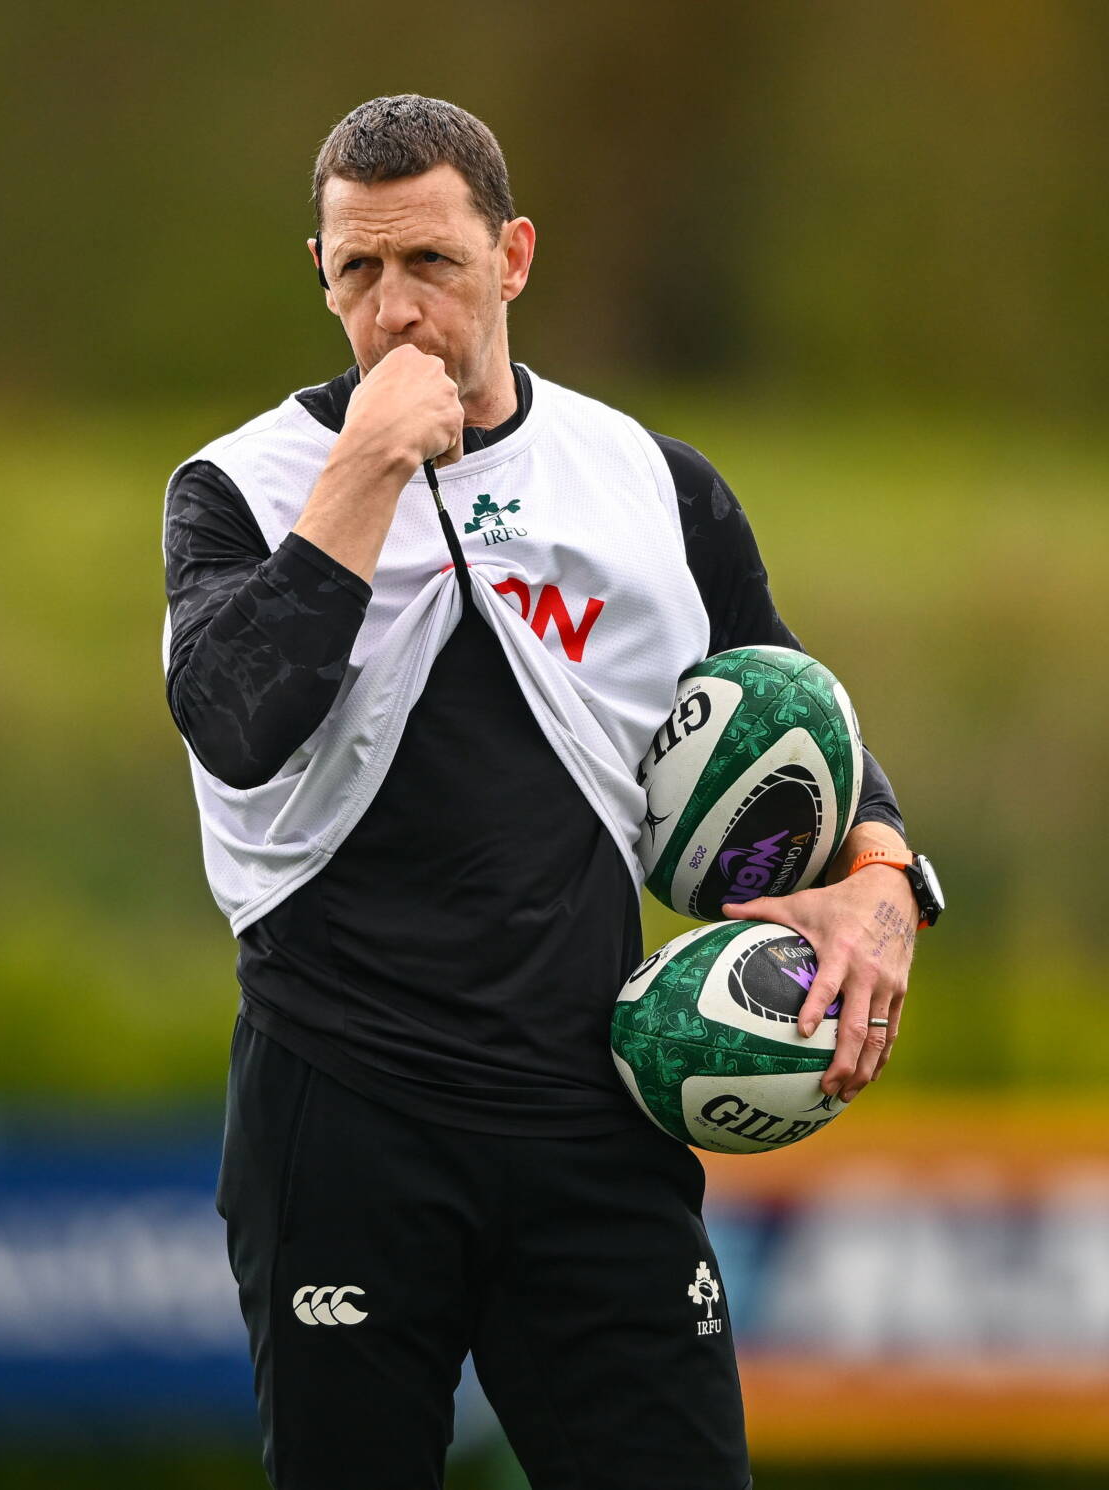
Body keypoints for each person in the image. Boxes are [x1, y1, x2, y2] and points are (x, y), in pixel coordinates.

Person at [162, 95, 928, 1490]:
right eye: (358, 273)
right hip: (342, 1110)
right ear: (322, 277)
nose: (395, 311)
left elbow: (797, 706)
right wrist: (372, 462)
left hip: (598, 1109)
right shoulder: (242, 488)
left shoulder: (646, 480)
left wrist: (880, 873)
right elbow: (235, 720)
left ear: (511, 258)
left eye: (432, 266)